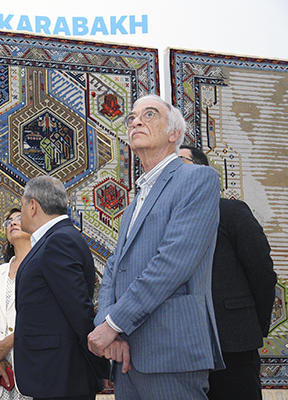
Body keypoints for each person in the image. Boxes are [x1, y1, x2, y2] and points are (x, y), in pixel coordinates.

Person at [87, 94, 224, 399]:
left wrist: (113, 323)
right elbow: (114, 268)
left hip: (170, 351)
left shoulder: (197, 179)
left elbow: (173, 263)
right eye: (132, 117)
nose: (136, 121)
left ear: (174, 133)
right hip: (125, 355)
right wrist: (109, 329)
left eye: (149, 115)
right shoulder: (133, 204)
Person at [179, 144, 276, 400]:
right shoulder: (165, 221)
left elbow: (262, 274)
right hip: (182, 348)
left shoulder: (231, 212)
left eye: (181, 162)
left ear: (203, 172)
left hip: (232, 342)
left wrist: (250, 325)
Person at [14, 175, 109, 400]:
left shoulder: (58, 241)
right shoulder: (55, 238)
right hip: (53, 375)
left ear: (33, 206)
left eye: (22, 205)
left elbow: (79, 310)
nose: (21, 213)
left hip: (60, 377)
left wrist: (101, 366)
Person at [0, 208, 33, 400]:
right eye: (8, 221)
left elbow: (45, 318)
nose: (13, 223)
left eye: (19, 218)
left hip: (32, 365)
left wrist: (8, 343)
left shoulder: (43, 267)